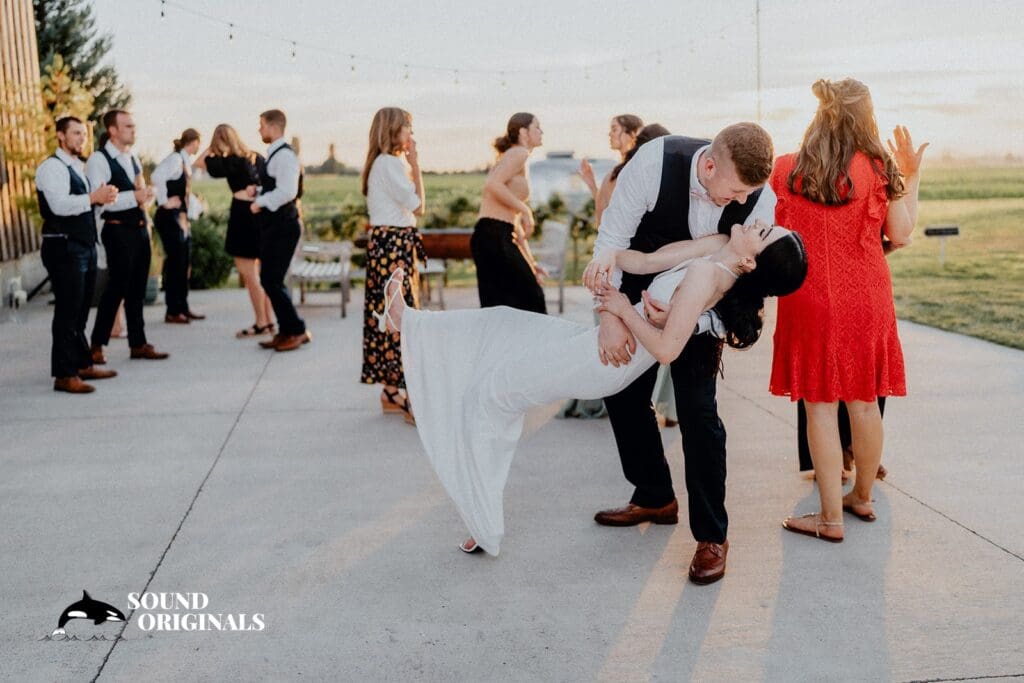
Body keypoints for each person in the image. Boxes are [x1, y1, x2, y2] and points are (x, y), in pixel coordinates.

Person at [380, 222, 806, 555]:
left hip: (603, 363)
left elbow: (666, 350)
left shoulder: (706, 276)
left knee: (491, 397)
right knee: (503, 327)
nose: (757, 223)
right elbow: (645, 261)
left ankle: (479, 516)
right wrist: (607, 260)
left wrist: (622, 309)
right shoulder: (714, 248)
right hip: (596, 342)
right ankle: (413, 325)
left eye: (764, 233)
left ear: (751, 263)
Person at [585, 123, 778, 585]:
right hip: (634, 290)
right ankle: (654, 493)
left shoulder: (758, 197)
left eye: (747, 193)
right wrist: (611, 316)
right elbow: (610, 241)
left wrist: (683, 310)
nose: (738, 202)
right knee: (621, 392)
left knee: (698, 413)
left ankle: (712, 535)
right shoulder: (652, 164)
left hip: (705, 304)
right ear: (709, 165)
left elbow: (741, 271)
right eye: (733, 191)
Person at [770, 79, 926, 542]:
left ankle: (829, 518)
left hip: (808, 298)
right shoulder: (879, 168)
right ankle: (861, 498)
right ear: (866, 117)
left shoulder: (785, 170)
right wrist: (911, 175)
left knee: (819, 407)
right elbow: (900, 233)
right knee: (863, 402)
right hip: (867, 297)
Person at [35, 116, 119, 393]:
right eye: (75, 133)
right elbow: (58, 206)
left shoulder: (77, 168)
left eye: (83, 134)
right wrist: (93, 197)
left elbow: (82, 207)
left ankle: (82, 363)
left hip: (83, 245)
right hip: (63, 246)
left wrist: (101, 200)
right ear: (60, 136)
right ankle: (64, 374)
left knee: (81, 311)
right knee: (67, 312)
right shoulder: (52, 167)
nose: (82, 139)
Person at [359, 107, 425, 424]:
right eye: (408, 128)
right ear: (394, 130)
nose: (411, 135)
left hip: (384, 245)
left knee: (388, 317)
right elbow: (419, 206)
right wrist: (416, 165)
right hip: (394, 247)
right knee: (403, 320)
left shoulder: (380, 163)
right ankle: (408, 397)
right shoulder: (390, 164)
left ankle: (390, 391)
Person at [88, 110, 169, 363]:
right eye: (128, 126)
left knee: (137, 289)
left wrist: (146, 197)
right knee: (117, 287)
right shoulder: (98, 160)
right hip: (116, 228)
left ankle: (138, 343)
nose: (133, 130)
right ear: (112, 130)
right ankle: (97, 344)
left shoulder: (132, 157)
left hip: (139, 227)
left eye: (134, 126)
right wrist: (134, 197)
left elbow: (139, 191)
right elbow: (101, 201)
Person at [192, 124, 274, 338]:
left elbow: (197, 162)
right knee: (262, 274)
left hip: (242, 216)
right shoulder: (254, 157)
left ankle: (261, 322)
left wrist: (211, 147)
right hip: (262, 214)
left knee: (248, 274)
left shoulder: (228, 161)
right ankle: (269, 321)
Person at [470, 113, 547, 313]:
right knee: (529, 302)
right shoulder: (519, 152)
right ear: (524, 132)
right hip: (492, 235)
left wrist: (531, 263)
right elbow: (492, 185)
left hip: (499, 235)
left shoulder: (518, 156)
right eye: (537, 127)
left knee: (514, 307)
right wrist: (525, 209)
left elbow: (514, 225)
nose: (541, 132)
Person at [250, 109, 310, 352]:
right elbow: (275, 187)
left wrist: (259, 203)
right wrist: (258, 192)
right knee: (270, 279)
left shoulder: (284, 156)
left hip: (284, 225)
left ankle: (296, 330)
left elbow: (288, 191)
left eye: (261, 125)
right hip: (275, 224)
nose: (259, 130)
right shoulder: (275, 154)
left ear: (273, 127)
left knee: (271, 279)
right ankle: (286, 330)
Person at [151, 128, 203, 324]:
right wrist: (164, 201)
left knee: (184, 261)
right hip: (168, 216)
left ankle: (182, 306)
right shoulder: (175, 160)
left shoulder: (185, 161)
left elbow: (184, 192)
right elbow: (156, 176)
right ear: (194, 142)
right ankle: (173, 310)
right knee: (176, 263)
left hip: (179, 217)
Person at [578, 114, 644, 226]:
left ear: (632, 134)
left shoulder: (629, 171)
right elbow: (608, 210)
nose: (610, 134)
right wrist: (593, 186)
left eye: (614, 129)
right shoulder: (621, 171)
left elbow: (606, 219)